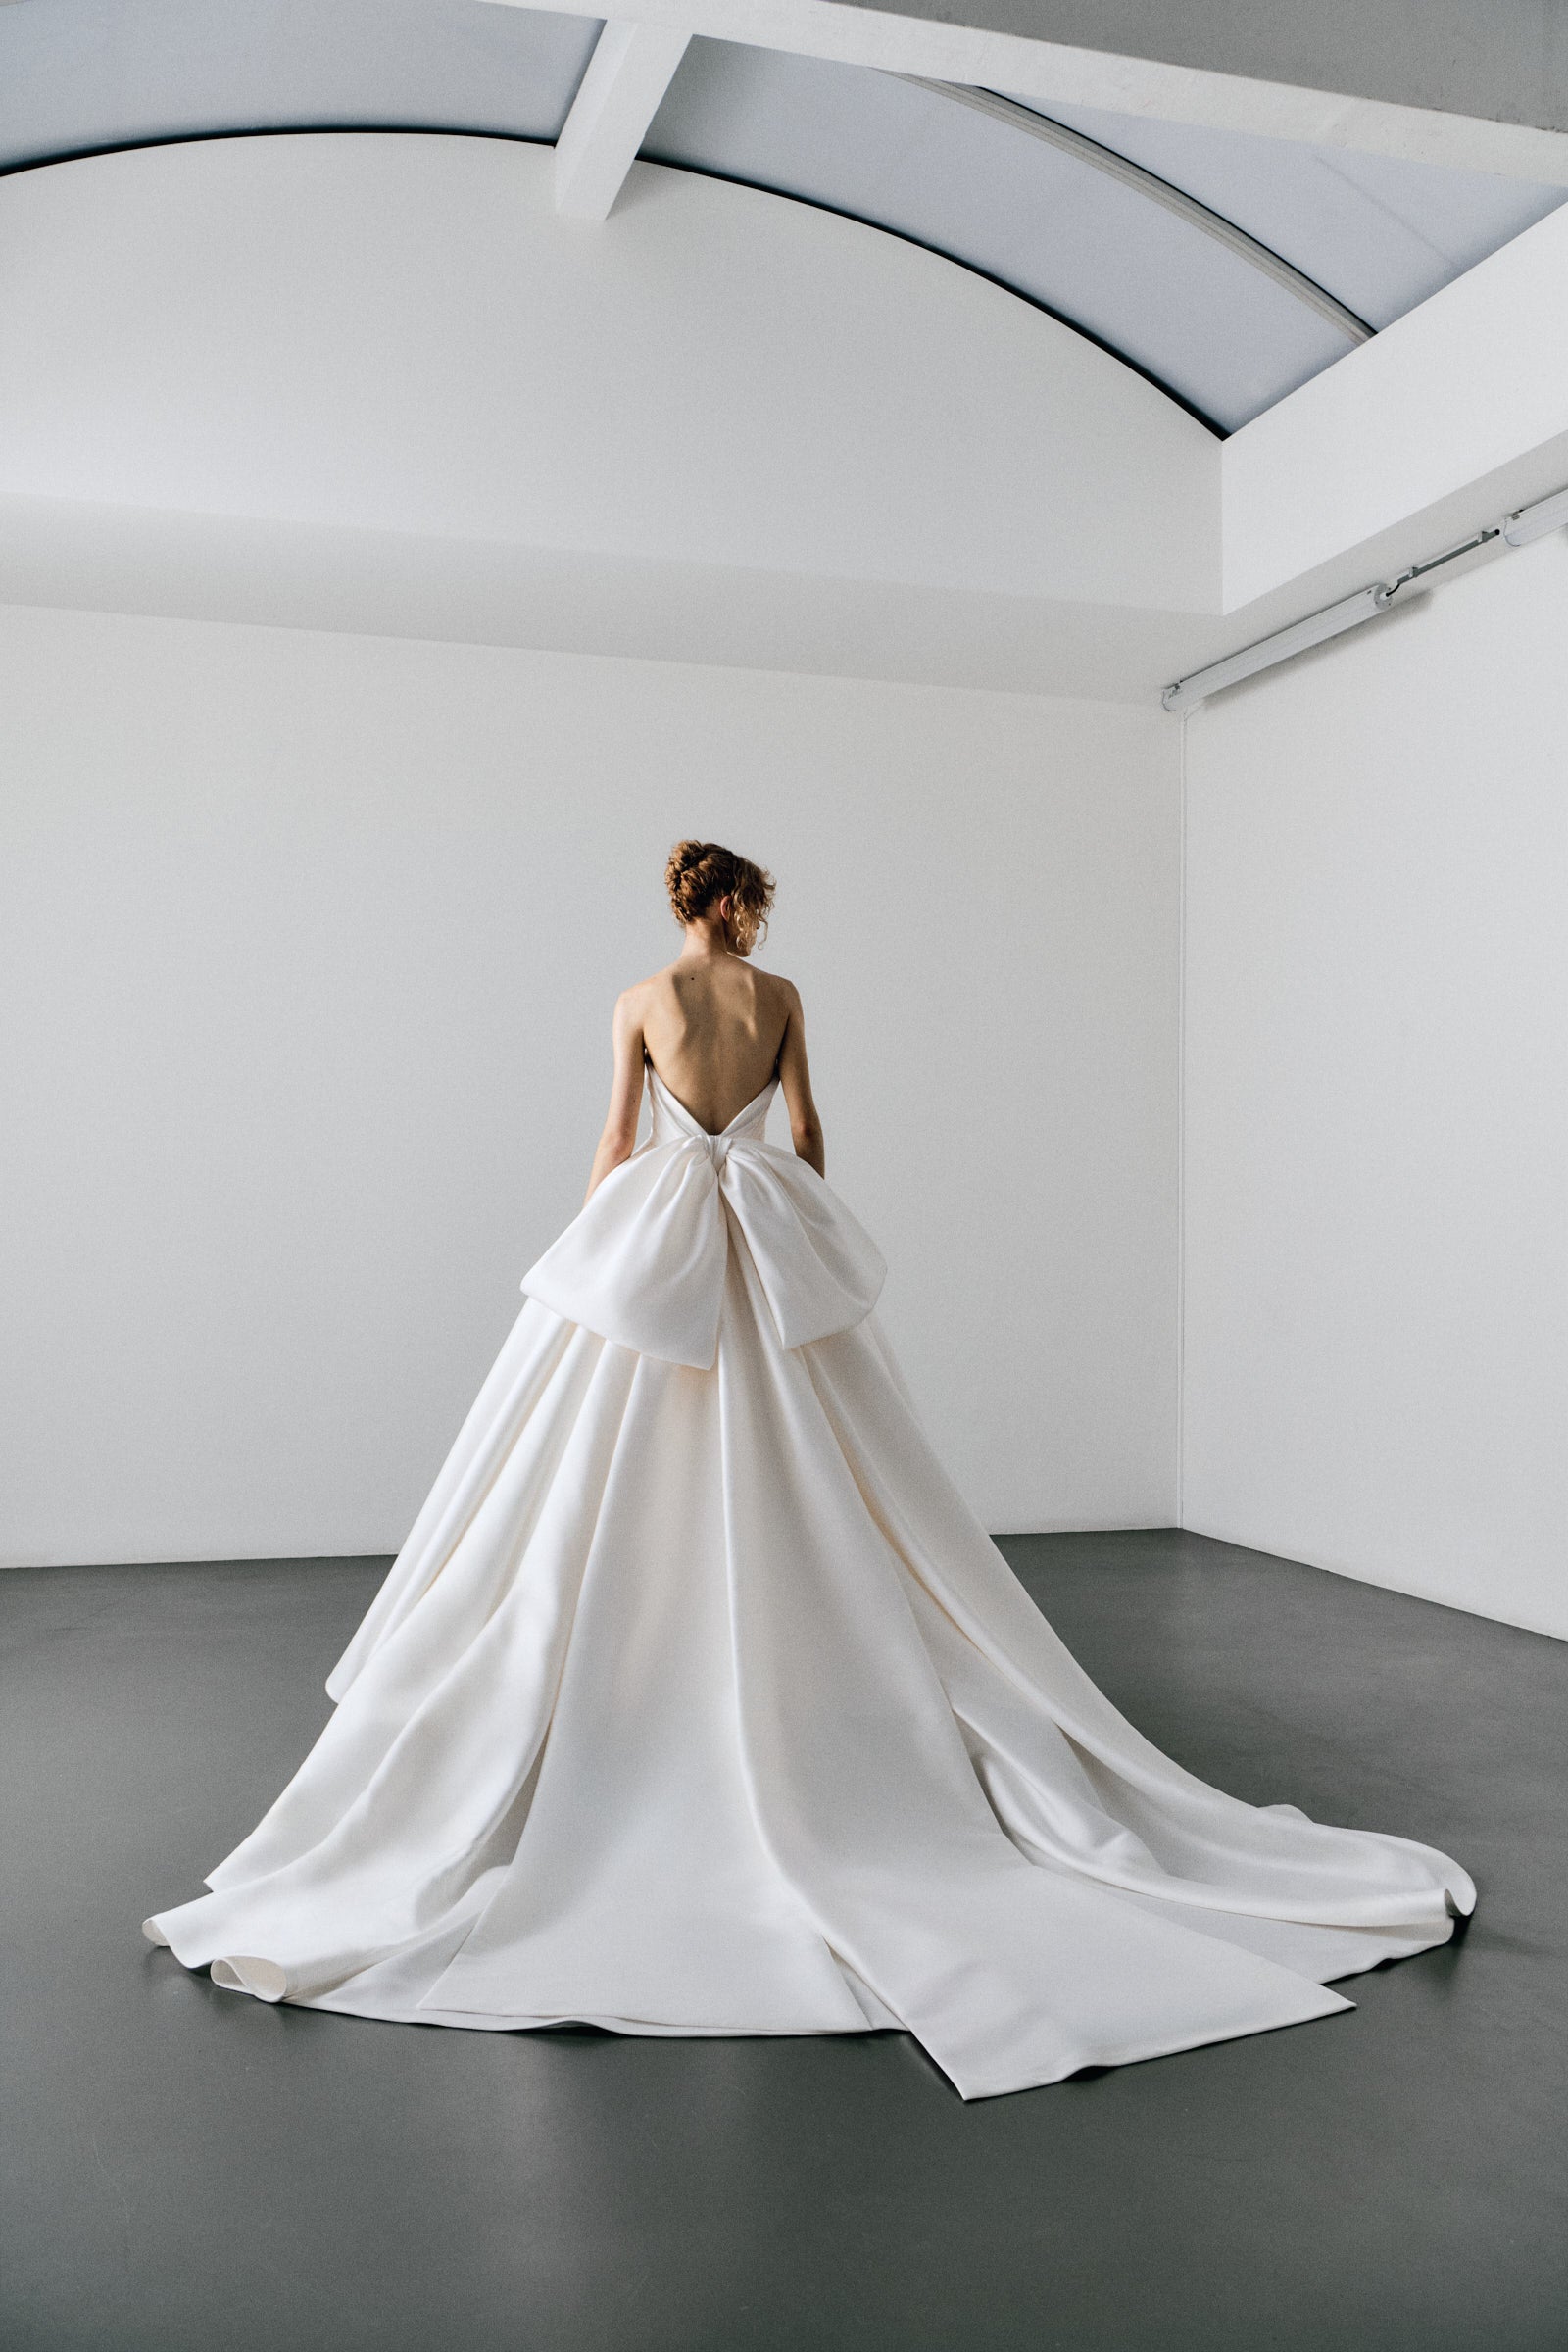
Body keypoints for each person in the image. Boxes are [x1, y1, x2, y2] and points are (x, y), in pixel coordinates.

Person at [144, 840, 1473, 2100]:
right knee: (824, 1456)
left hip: (661, 1233)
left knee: (599, 1471)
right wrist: (800, 1228)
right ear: (738, 906)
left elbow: (617, 1143)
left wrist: (608, 1246)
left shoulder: (642, 998)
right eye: (754, 905)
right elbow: (810, 1129)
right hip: (763, 1226)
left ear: (682, 904)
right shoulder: (777, 997)